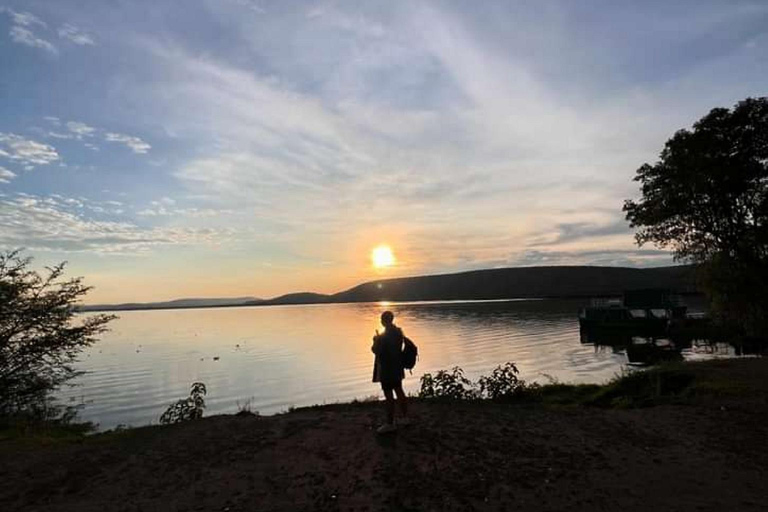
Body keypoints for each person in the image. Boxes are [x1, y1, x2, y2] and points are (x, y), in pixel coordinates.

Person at [371, 310, 409, 433]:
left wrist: (375, 341)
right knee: (399, 391)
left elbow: (377, 351)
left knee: (389, 396)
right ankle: (405, 417)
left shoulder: (383, 336)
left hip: (387, 369)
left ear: (384, 321)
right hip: (398, 368)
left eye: (382, 319)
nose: (381, 321)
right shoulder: (398, 332)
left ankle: (390, 423)